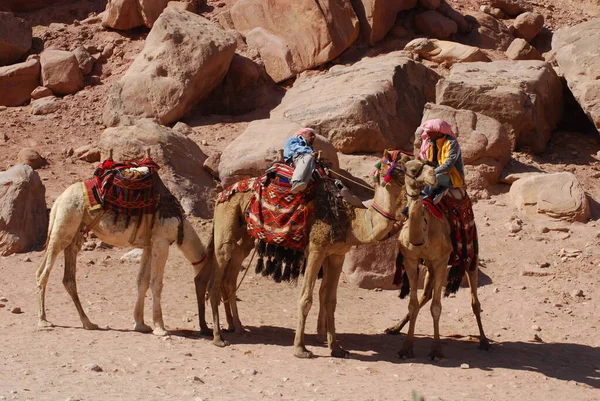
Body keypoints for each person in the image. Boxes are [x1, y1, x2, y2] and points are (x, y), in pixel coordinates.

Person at [418, 119, 465, 202]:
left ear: (438, 132)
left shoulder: (451, 143)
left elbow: (448, 165)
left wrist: (433, 172)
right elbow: (433, 162)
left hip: (452, 176)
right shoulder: (432, 142)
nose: (427, 134)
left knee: (434, 178)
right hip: (437, 171)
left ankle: (421, 198)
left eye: (430, 132)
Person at [284, 127, 317, 194]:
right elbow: (294, 148)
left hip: (304, 159)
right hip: (294, 159)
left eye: (314, 136)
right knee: (309, 157)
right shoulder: (294, 140)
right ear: (303, 134)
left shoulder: (310, 148)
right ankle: (295, 181)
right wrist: (310, 152)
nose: (313, 137)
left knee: (312, 161)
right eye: (311, 134)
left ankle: (302, 185)